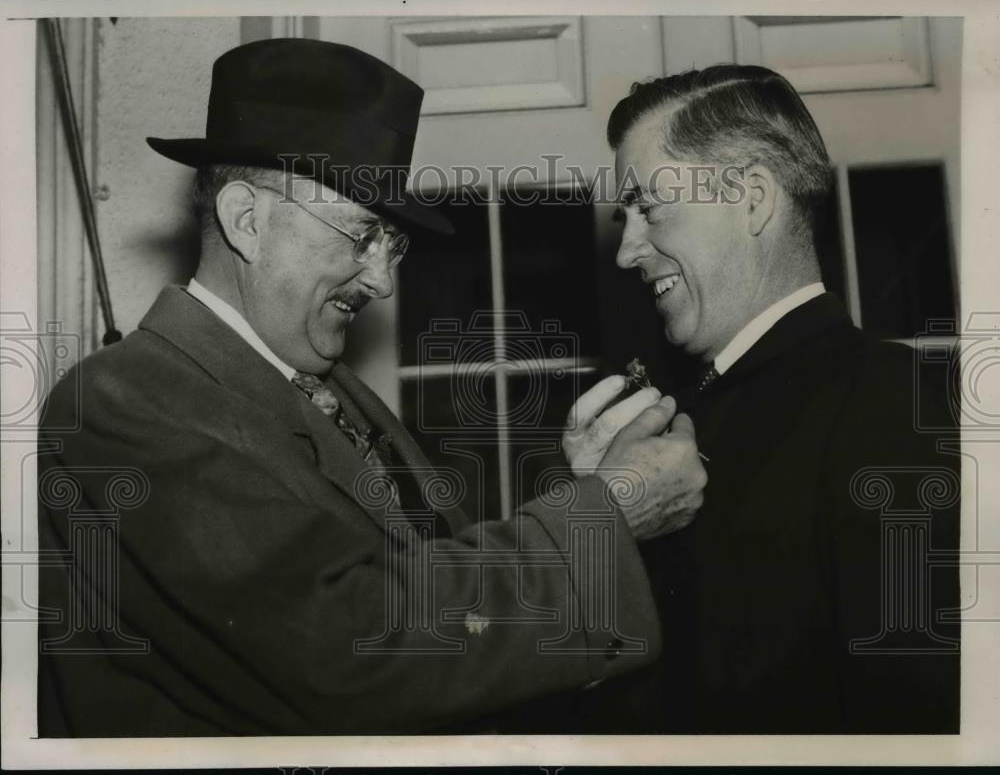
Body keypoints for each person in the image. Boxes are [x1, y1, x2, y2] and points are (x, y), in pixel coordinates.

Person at [36, 39, 707, 736]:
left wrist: (588, 494)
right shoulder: (125, 401)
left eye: (393, 244)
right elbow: (341, 643)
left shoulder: (321, 385)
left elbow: (418, 594)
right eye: (361, 236)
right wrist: (606, 515)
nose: (383, 282)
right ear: (247, 220)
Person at [508, 64, 960, 734]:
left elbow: (919, 717)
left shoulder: (887, 403)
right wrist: (604, 515)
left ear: (752, 199)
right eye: (625, 217)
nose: (627, 251)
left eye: (649, 208)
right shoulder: (677, 412)